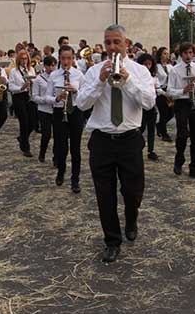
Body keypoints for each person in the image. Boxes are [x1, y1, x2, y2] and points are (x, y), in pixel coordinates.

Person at [75, 24, 155, 263]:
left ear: (126, 44)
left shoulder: (140, 71)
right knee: (104, 194)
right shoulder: (93, 72)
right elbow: (81, 105)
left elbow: (149, 103)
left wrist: (127, 81)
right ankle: (112, 241)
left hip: (130, 139)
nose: (112, 47)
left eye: (116, 42)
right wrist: (99, 82)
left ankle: (131, 218)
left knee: (133, 191)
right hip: (102, 141)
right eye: (107, 42)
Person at [167, 42, 195, 178]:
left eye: (191, 53)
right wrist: (182, 90)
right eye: (185, 53)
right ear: (181, 54)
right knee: (182, 134)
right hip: (182, 103)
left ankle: (194, 166)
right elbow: (170, 91)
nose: (188, 56)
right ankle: (179, 159)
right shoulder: (175, 70)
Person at [48, 45, 84, 193]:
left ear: (73, 58)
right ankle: (61, 172)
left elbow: (85, 96)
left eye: (69, 58)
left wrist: (76, 91)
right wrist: (57, 98)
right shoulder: (54, 75)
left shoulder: (79, 75)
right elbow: (46, 97)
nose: (66, 61)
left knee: (76, 148)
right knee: (61, 146)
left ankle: (75, 180)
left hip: (75, 111)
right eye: (63, 58)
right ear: (59, 59)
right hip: (59, 112)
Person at [7, 49, 37, 157]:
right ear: (18, 60)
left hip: (29, 96)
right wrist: (21, 87)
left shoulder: (31, 70)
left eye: (26, 58)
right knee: (24, 121)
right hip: (19, 97)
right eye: (22, 59)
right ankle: (25, 147)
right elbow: (10, 87)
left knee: (33, 122)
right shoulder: (13, 72)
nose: (24, 61)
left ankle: (22, 138)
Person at [31, 55, 57, 164]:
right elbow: (34, 96)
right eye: (49, 66)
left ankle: (56, 158)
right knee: (46, 134)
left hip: (56, 109)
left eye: (53, 65)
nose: (51, 68)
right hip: (44, 110)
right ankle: (42, 153)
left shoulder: (58, 78)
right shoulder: (39, 79)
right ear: (45, 66)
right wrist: (46, 100)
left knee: (58, 135)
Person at [137, 54, 159, 161]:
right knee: (140, 129)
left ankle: (151, 150)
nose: (147, 67)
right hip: (141, 106)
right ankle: (138, 146)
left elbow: (157, 88)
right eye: (145, 64)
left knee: (151, 129)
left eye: (149, 64)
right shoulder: (137, 76)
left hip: (151, 106)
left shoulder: (153, 76)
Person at [154, 46, 174, 142]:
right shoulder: (156, 67)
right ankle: (164, 134)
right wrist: (162, 92)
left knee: (171, 113)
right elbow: (156, 81)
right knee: (163, 112)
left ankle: (160, 125)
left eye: (167, 53)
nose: (167, 55)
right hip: (160, 91)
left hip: (170, 90)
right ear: (160, 55)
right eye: (164, 53)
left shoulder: (170, 66)